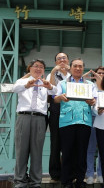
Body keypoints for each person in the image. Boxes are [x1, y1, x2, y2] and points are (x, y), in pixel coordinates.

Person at [13, 59, 57, 188]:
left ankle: (35, 181)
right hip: (24, 117)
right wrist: (28, 84)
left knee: (37, 151)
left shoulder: (45, 83)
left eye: (41, 67)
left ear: (44, 70)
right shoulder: (22, 81)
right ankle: (20, 180)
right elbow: (15, 88)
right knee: (21, 150)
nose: (38, 69)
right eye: (36, 66)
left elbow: (55, 91)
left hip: (40, 118)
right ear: (30, 68)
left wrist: (49, 86)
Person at [54, 58, 97, 188]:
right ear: (70, 68)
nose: (78, 68)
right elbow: (55, 99)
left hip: (84, 121)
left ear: (83, 68)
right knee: (67, 152)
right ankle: (66, 180)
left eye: (80, 66)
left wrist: (92, 102)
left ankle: (80, 180)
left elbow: (94, 100)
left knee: (82, 152)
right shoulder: (62, 83)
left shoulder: (90, 84)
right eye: (75, 66)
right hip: (67, 122)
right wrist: (60, 97)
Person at [46, 52, 71, 182]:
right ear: (56, 62)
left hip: (72, 109)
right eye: (59, 59)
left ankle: (69, 172)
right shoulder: (51, 75)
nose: (62, 60)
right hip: (56, 108)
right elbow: (51, 91)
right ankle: (55, 173)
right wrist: (52, 73)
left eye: (64, 58)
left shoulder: (73, 74)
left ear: (68, 60)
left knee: (70, 143)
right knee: (55, 143)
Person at [83, 66, 104, 184]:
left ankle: (101, 173)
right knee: (91, 148)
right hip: (92, 118)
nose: (101, 75)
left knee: (103, 148)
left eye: (103, 73)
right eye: (99, 73)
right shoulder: (90, 86)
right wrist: (83, 78)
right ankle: (89, 174)